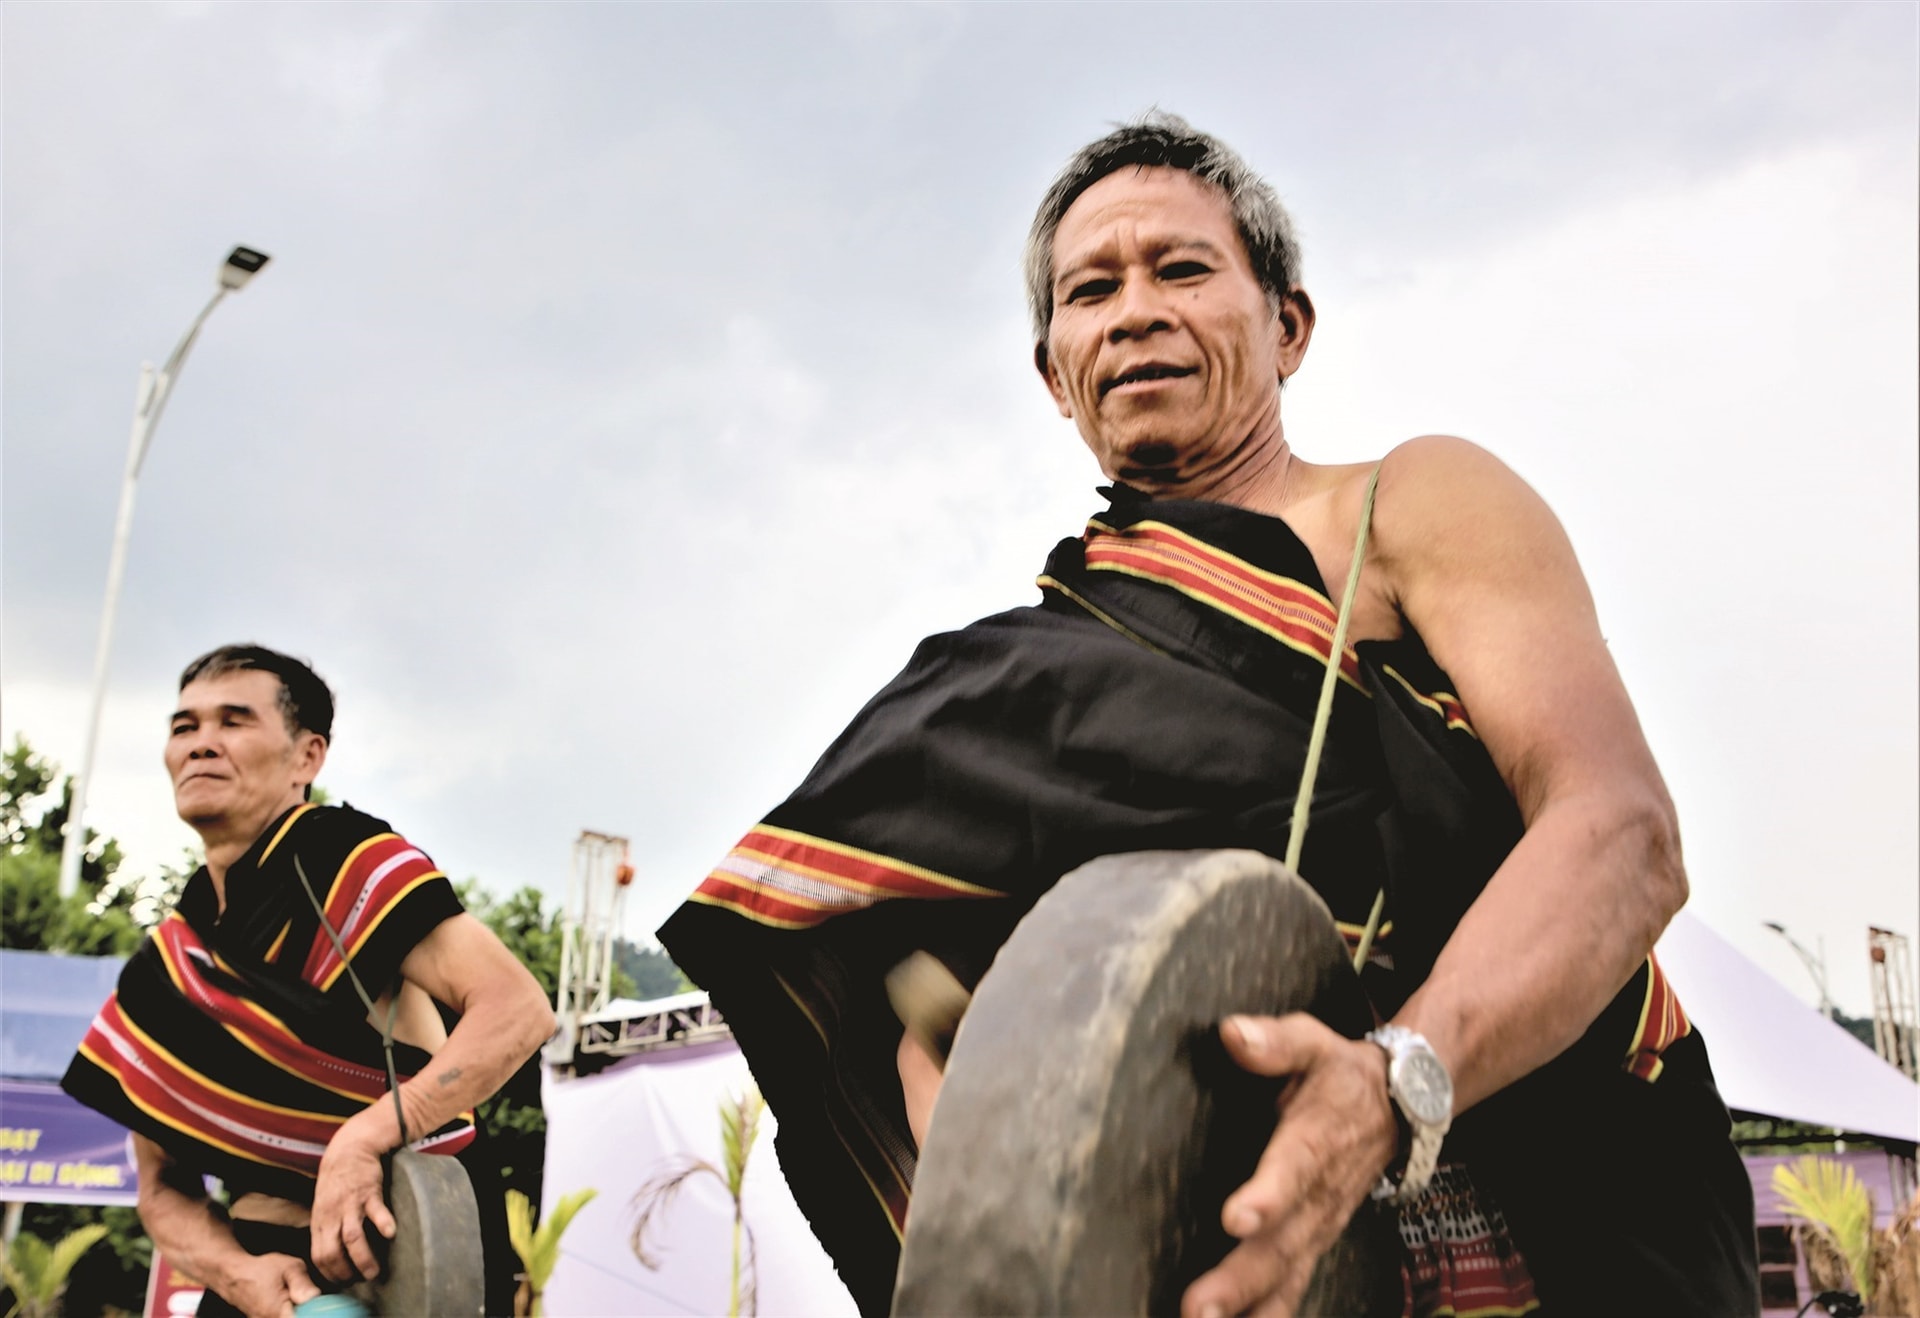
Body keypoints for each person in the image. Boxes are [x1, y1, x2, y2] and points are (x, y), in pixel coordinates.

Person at [659, 114, 1758, 1317]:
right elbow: (914, 1015)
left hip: (1575, 1200)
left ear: (1287, 326)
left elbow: (1622, 831)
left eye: (1182, 269)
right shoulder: (1015, 687)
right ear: (1053, 373)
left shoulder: (1412, 505)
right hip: (1247, 1263)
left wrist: (1392, 1084)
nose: (1134, 310)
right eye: (1091, 290)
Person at [62, 644, 555, 1318]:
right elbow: (162, 1187)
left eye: (235, 721)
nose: (202, 744)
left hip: (415, 1256)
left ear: (307, 757)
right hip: (265, 1277)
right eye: (185, 727)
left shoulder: (342, 858)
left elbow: (518, 1009)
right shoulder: (168, 967)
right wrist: (237, 1273)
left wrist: (363, 1138)